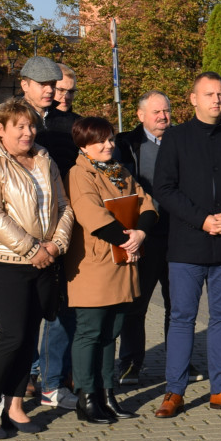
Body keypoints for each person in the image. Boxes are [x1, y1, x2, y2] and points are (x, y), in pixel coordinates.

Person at [151, 72, 221, 418]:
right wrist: (201, 219)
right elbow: (164, 188)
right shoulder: (176, 138)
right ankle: (174, 391)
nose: (217, 99)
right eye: (209, 94)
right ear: (193, 99)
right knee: (182, 318)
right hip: (187, 244)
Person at [0, 98, 74, 439]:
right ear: (0, 129)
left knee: (29, 337)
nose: (28, 132)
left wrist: (56, 245)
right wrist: (32, 249)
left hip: (45, 259)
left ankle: (15, 406)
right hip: (6, 262)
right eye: (20, 127)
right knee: (10, 337)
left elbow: (64, 205)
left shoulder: (44, 158)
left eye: (30, 126)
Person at [65, 116, 158, 424]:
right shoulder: (79, 174)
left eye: (110, 139)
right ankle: (86, 397)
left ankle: (107, 394)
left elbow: (146, 203)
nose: (108, 145)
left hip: (123, 261)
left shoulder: (119, 171)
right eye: (100, 141)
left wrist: (140, 233)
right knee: (90, 332)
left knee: (111, 333)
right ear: (84, 145)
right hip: (96, 265)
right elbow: (91, 215)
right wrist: (127, 241)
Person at [18, 56, 80, 410]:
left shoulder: (69, 125)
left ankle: (52, 380)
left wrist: (60, 237)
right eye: (46, 84)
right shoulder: (10, 120)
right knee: (23, 314)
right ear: (25, 84)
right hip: (23, 236)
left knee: (61, 308)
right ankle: (23, 376)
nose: (53, 91)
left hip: (62, 228)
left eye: (55, 85)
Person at [113, 91, 172, 386]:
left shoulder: (180, 141)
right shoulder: (124, 144)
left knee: (180, 307)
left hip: (177, 236)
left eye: (166, 111)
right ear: (140, 115)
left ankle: (178, 363)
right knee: (137, 304)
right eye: (156, 112)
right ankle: (130, 363)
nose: (163, 117)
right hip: (143, 236)